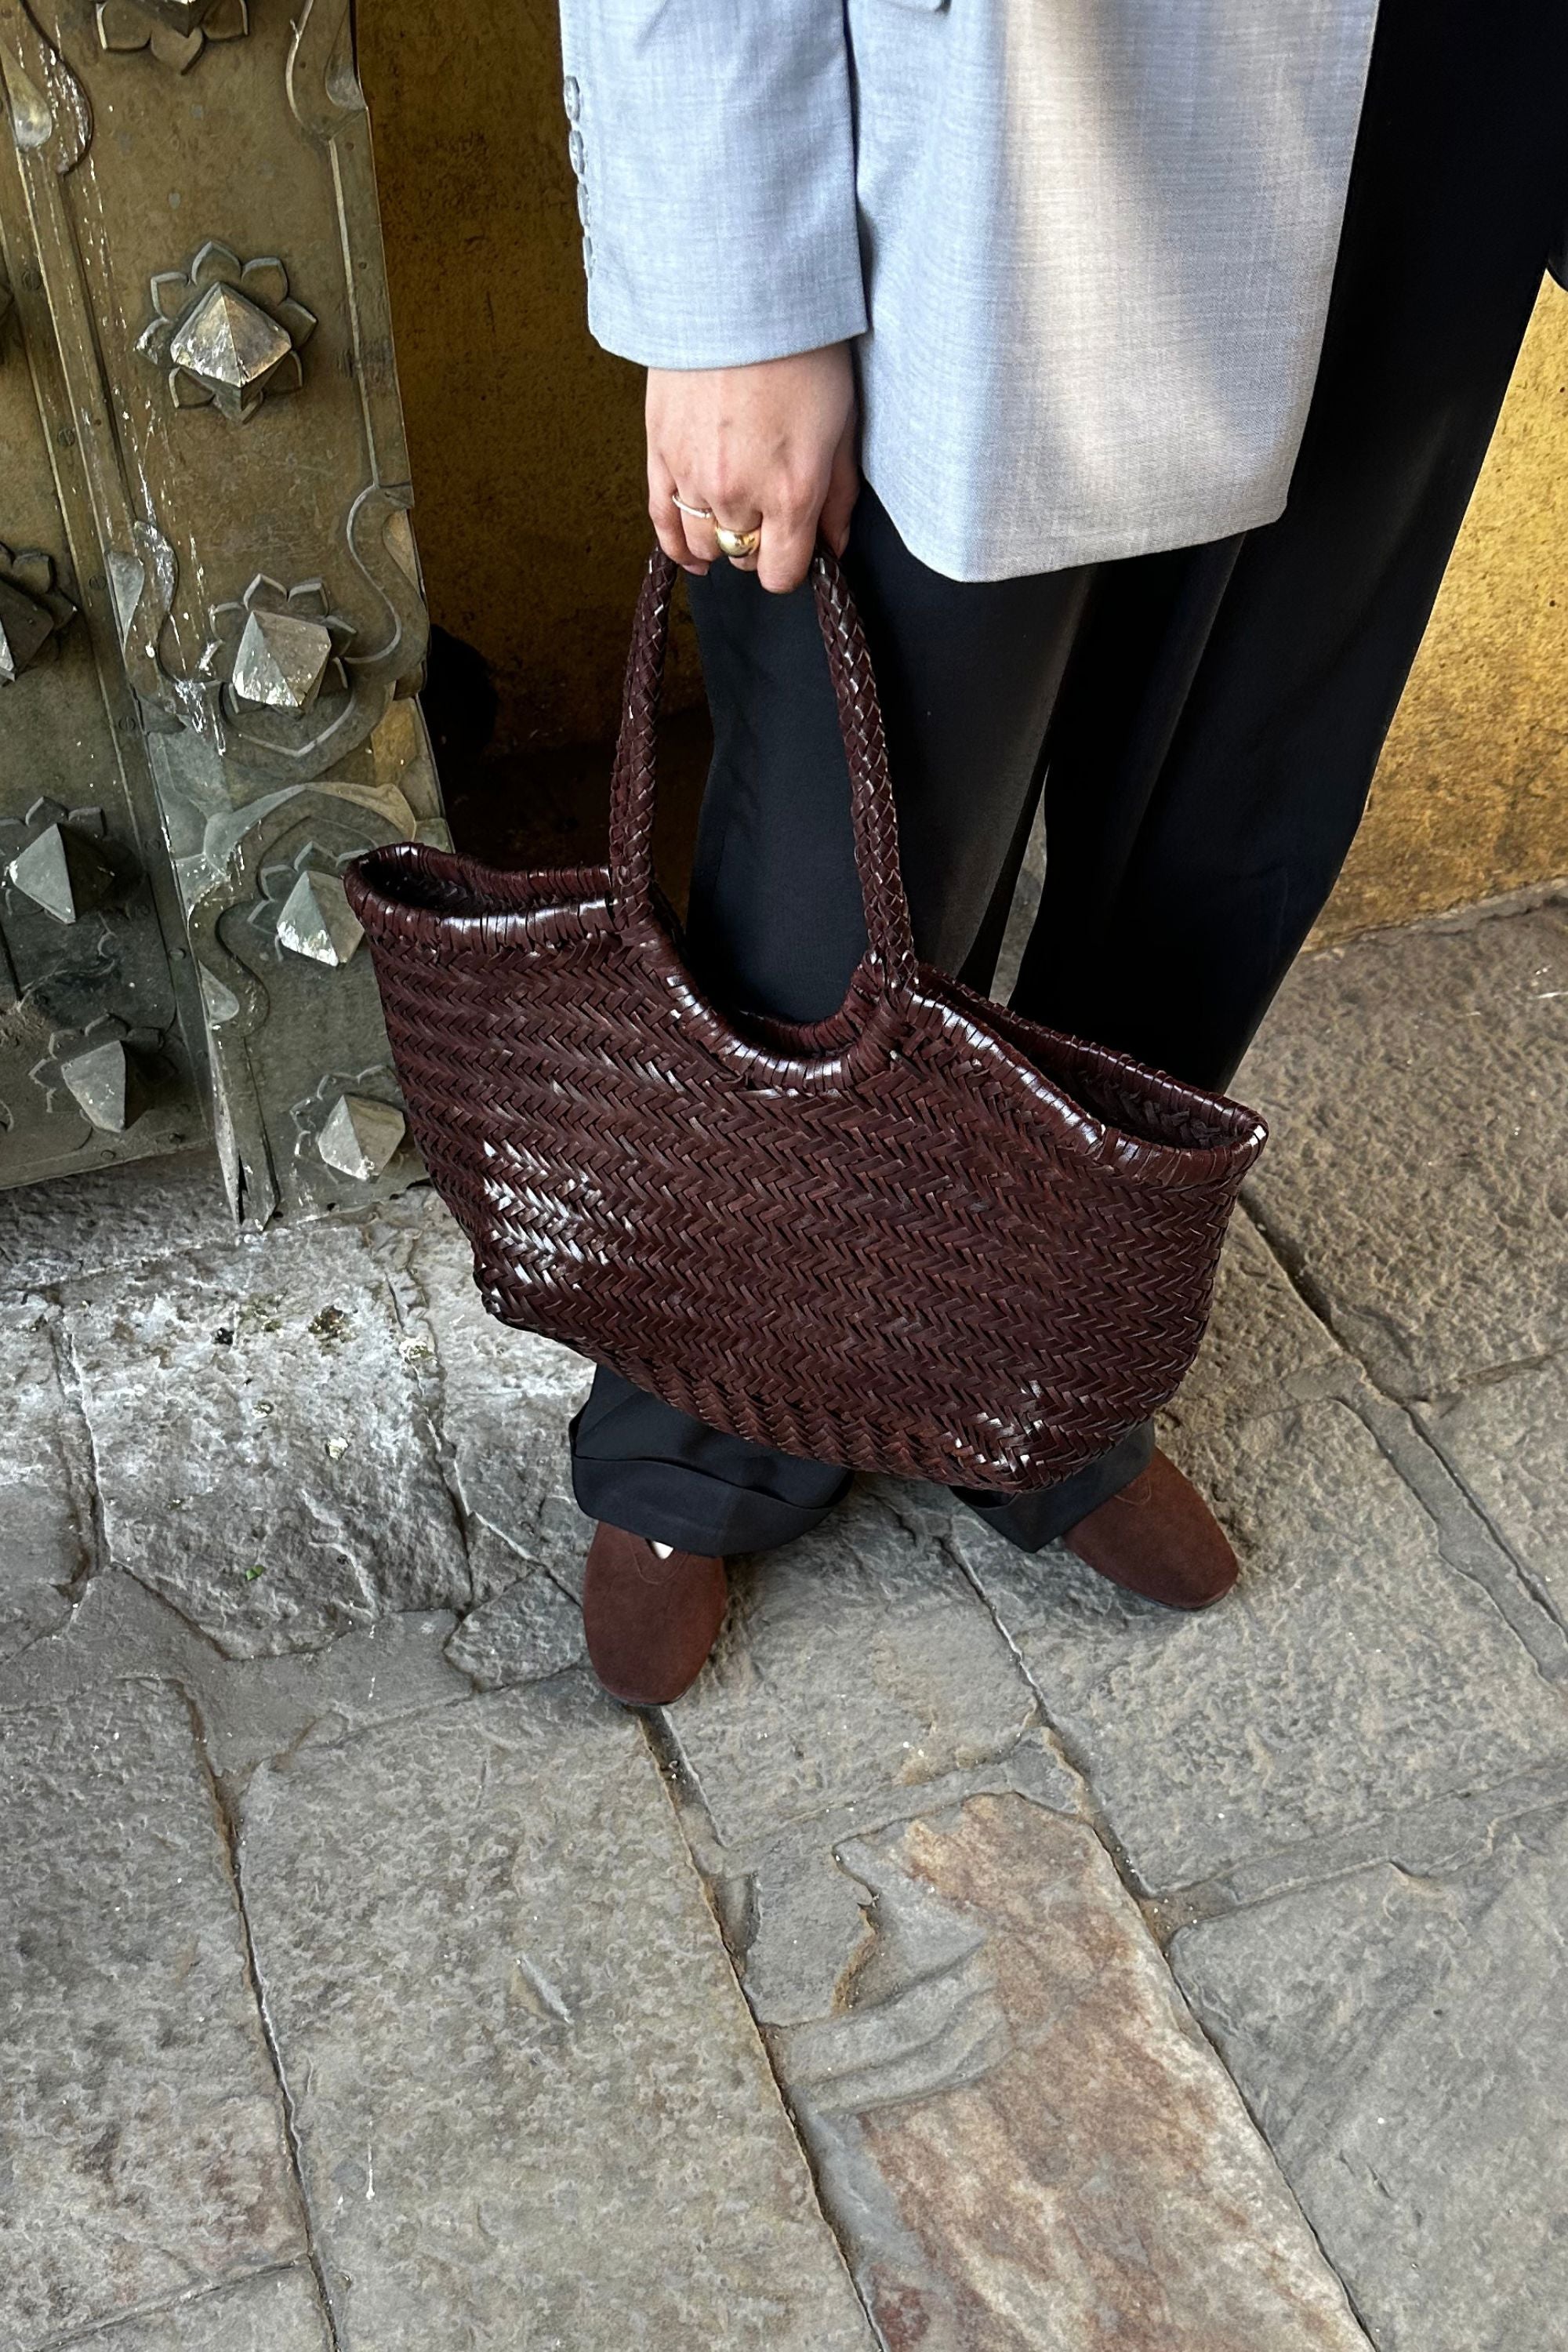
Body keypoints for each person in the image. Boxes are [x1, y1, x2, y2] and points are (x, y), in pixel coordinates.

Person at [552, 0, 1568, 1704]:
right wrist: (731, 281)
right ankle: (709, 1430)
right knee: (854, 838)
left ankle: (1039, 1379)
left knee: (1235, 800)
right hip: (997, 100)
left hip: (1451, 70)